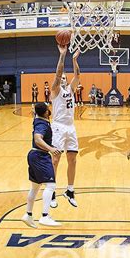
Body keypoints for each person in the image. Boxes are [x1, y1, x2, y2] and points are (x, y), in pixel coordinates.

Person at [21, 103, 62, 228]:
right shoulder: (41, 124)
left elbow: (36, 112)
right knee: (51, 185)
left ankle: (28, 214)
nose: (49, 110)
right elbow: (38, 139)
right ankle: (45, 216)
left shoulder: (38, 119)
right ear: (45, 112)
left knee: (35, 187)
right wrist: (51, 149)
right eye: (48, 109)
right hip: (40, 156)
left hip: (34, 155)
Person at [49, 44, 80, 208]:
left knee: (72, 160)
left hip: (71, 127)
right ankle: (52, 191)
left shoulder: (70, 89)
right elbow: (58, 73)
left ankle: (69, 190)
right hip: (58, 127)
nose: (62, 78)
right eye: (60, 77)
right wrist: (63, 55)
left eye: (64, 78)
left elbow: (78, 75)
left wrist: (74, 60)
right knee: (55, 160)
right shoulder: (55, 90)